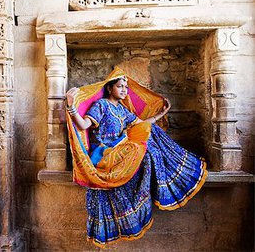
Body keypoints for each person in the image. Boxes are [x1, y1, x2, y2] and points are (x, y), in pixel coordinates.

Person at [65, 67, 207, 248]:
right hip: (107, 152)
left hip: (123, 147)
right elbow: (84, 124)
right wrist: (71, 106)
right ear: (110, 88)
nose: (124, 90)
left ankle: (176, 175)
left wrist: (161, 114)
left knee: (150, 139)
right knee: (146, 141)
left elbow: (142, 124)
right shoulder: (101, 105)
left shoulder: (123, 110)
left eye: (125, 87)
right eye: (119, 86)